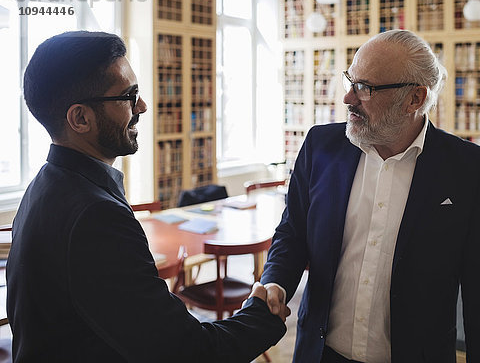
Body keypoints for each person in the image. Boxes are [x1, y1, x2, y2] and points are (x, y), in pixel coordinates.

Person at [6, 31, 288, 362]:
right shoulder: (96, 216)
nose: (142, 106)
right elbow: (185, 352)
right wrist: (262, 317)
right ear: (80, 118)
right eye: (128, 96)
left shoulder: (44, 186)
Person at [261, 29, 480, 362]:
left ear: (415, 99)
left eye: (365, 87)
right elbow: (292, 234)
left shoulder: (469, 171)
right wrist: (276, 283)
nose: (348, 98)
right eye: (350, 80)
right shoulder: (320, 148)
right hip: (320, 353)